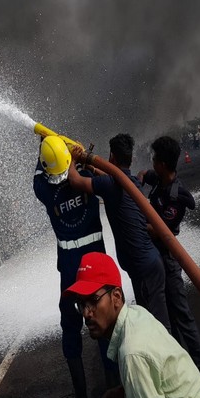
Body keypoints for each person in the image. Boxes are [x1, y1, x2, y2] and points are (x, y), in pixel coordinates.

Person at [63, 252, 200, 398]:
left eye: (93, 300)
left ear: (116, 297)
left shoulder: (132, 353)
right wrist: (125, 392)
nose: (86, 313)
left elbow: (138, 360)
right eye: (81, 304)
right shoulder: (137, 314)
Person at [33, 135, 118, 398]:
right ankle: (114, 390)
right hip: (97, 264)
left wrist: (45, 148)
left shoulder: (44, 190)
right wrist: (83, 158)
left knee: (70, 328)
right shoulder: (85, 178)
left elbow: (40, 171)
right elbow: (110, 177)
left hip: (70, 270)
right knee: (106, 326)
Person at [68, 134, 170, 331]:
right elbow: (107, 175)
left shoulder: (111, 185)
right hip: (148, 264)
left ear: (112, 156)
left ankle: (168, 360)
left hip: (144, 267)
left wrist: (71, 159)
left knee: (158, 327)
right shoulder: (131, 181)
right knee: (152, 321)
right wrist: (89, 164)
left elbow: (75, 181)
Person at [138, 135, 200, 389]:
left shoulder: (177, 195)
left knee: (182, 315)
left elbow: (162, 230)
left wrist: (138, 222)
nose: (151, 162)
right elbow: (142, 174)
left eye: (154, 158)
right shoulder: (157, 179)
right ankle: (183, 366)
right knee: (167, 314)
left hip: (169, 259)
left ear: (163, 163)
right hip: (155, 256)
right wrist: (137, 180)